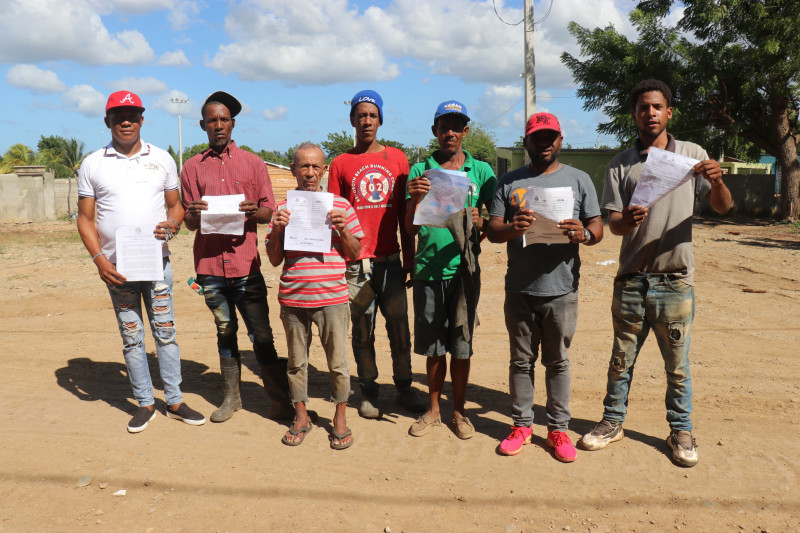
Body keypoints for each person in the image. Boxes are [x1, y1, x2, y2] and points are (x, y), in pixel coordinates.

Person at [579, 79, 731, 467]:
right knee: (620, 360)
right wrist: (625, 219)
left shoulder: (693, 155)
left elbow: (723, 207)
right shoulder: (620, 164)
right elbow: (613, 224)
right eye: (643, 107)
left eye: (657, 107)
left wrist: (716, 180)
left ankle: (681, 430)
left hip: (675, 280)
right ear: (635, 114)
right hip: (632, 279)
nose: (650, 113)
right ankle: (612, 422)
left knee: (677, 367)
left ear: (669, 113)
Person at [77, 90, 206, 433]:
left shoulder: (162, 159)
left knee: (165, 332)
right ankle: (145, 403)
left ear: (142, 120)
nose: (126, 121)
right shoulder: (93, 163)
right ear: (107, 121)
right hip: (117, 269)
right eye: (119, 116)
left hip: (155, 263)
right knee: (132, 337)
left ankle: (175, 401)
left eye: (132, 115)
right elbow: (85, 218)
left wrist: (174, 224)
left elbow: (175, 205)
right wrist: (99, 259)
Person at [486, 112, 603, 462]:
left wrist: (585, 234)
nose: (545, 143)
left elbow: (596, 226)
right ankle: (521, 426)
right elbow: (492, 230)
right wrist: (513, 228)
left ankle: (557, 430)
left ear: (561, 140)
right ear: (527, 142)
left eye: (551, 136)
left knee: (557, 362)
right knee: (521, 362)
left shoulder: (579, 180)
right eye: (538, 137)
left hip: (562, 289)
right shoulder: (509, 182)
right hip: (520, 288)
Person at [180, 91, 292, 423]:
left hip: (246, 265)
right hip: (210, 268)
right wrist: (193, 213)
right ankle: (232, 398)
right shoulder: (190, 168)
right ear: (202, 125)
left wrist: (255, 211)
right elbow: (188, 223)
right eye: (211, 120)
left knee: (262, 334)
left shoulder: (253, 163)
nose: (218, 125)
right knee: (224, 330)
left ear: (233, 124)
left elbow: (269, 211)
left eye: (224, 119)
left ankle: (278, 400)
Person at [327, 89, 426, 418]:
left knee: (399, 327)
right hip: (356, 266)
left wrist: (408, 258)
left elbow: (404, 214)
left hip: (390, 262)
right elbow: (335, 216)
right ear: (352, 120)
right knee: (363, 331)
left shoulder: (397, 159)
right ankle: (369, 389)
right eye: (361, 114)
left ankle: (404, 385)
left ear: (380, 120)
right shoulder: (341, 164)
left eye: (372, 115)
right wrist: (337, 262)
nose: (366, 120)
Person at [404, 100, 496, 439]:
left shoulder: (482, 172)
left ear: (465, 132)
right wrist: (415, 199)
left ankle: (458, 412)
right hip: (429, 269)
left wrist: (481, 220)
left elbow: (496, 221)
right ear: (435, 131)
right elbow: (410, 230)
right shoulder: (419, 172)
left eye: (457, 126)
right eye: (444, 126)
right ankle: (433, 410)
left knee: (461, 343)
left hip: (465, 271)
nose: (450, 133)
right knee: (433, 346)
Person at [266, 143, 364, 450]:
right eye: (303, 166)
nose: (309, 173)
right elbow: (272, 259)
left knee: (338, 363)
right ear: (293, 169)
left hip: (332, 298)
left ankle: (340, 418)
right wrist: (278, 231)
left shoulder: (341, 206)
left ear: (324, 170)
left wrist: (343, 230)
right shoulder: (284, 209)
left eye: (315, 167)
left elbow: (356, 252)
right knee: (297, 363)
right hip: (294, 299)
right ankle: (301, 416)